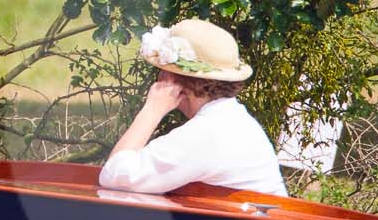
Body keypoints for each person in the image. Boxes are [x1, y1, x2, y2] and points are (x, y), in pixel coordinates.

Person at [99, 19, 288, 196]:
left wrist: (152, 109)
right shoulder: (229, 119)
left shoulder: (208, 132)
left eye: (163, 71)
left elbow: (115, 176)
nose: (159, 77)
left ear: (173, 79)